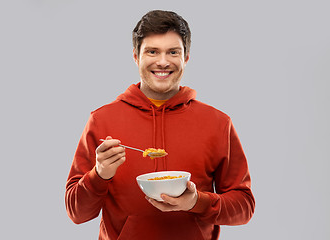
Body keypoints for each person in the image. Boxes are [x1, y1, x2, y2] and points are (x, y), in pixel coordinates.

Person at [65, 10, 255, 240]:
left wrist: (197, 202)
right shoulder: (101, 120)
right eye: (152, 51)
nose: (163, 62)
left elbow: (244, 207)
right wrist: (100, 174)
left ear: (186, 57)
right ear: (136, 56)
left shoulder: (218, 123)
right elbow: (76, 213)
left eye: (173, 52)